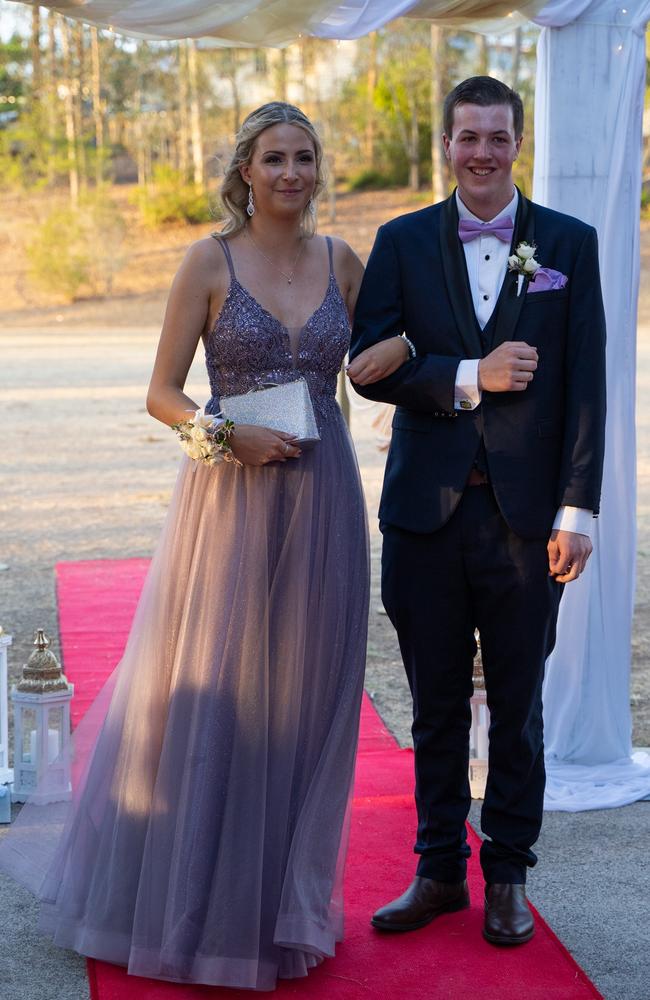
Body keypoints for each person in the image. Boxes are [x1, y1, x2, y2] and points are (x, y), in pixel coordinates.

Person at [0, 102, 403, 990]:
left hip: (324, 496)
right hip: (230, 496)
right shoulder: (206, 261)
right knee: (220, 693)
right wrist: (226, 438)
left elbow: (379, 362)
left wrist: (412, 352)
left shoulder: (342, 259)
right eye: (274, 159)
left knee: (308, 694)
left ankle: (281, 902)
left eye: (305, 157)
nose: (292, 173)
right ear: (245, 173)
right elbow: (160, 394)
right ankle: (187, 900)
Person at [347, 76, 606, 946]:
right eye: (468, 137)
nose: (483, 152)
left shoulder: (571, 242)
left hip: (531, 522)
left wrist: (581, 510)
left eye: (498, 137)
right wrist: (468, 375)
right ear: (446, 144)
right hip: (425, 512)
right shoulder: (401, 240)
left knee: (522, 706)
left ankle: (507, 876)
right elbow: (371, 364)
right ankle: (435, 872)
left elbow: (586, 389)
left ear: (518, 142)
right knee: (434, 706)